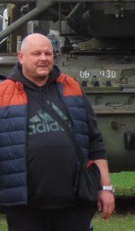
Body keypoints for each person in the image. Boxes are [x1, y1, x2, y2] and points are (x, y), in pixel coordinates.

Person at [0, 33, 115, 230]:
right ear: (21, 57)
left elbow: (94, 141)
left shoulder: (71, 87)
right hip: (25, 208)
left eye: (48, 53)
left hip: (75, 203)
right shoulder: (4, 94)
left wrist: (105, 188)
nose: (43, 59)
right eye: (36, 54)